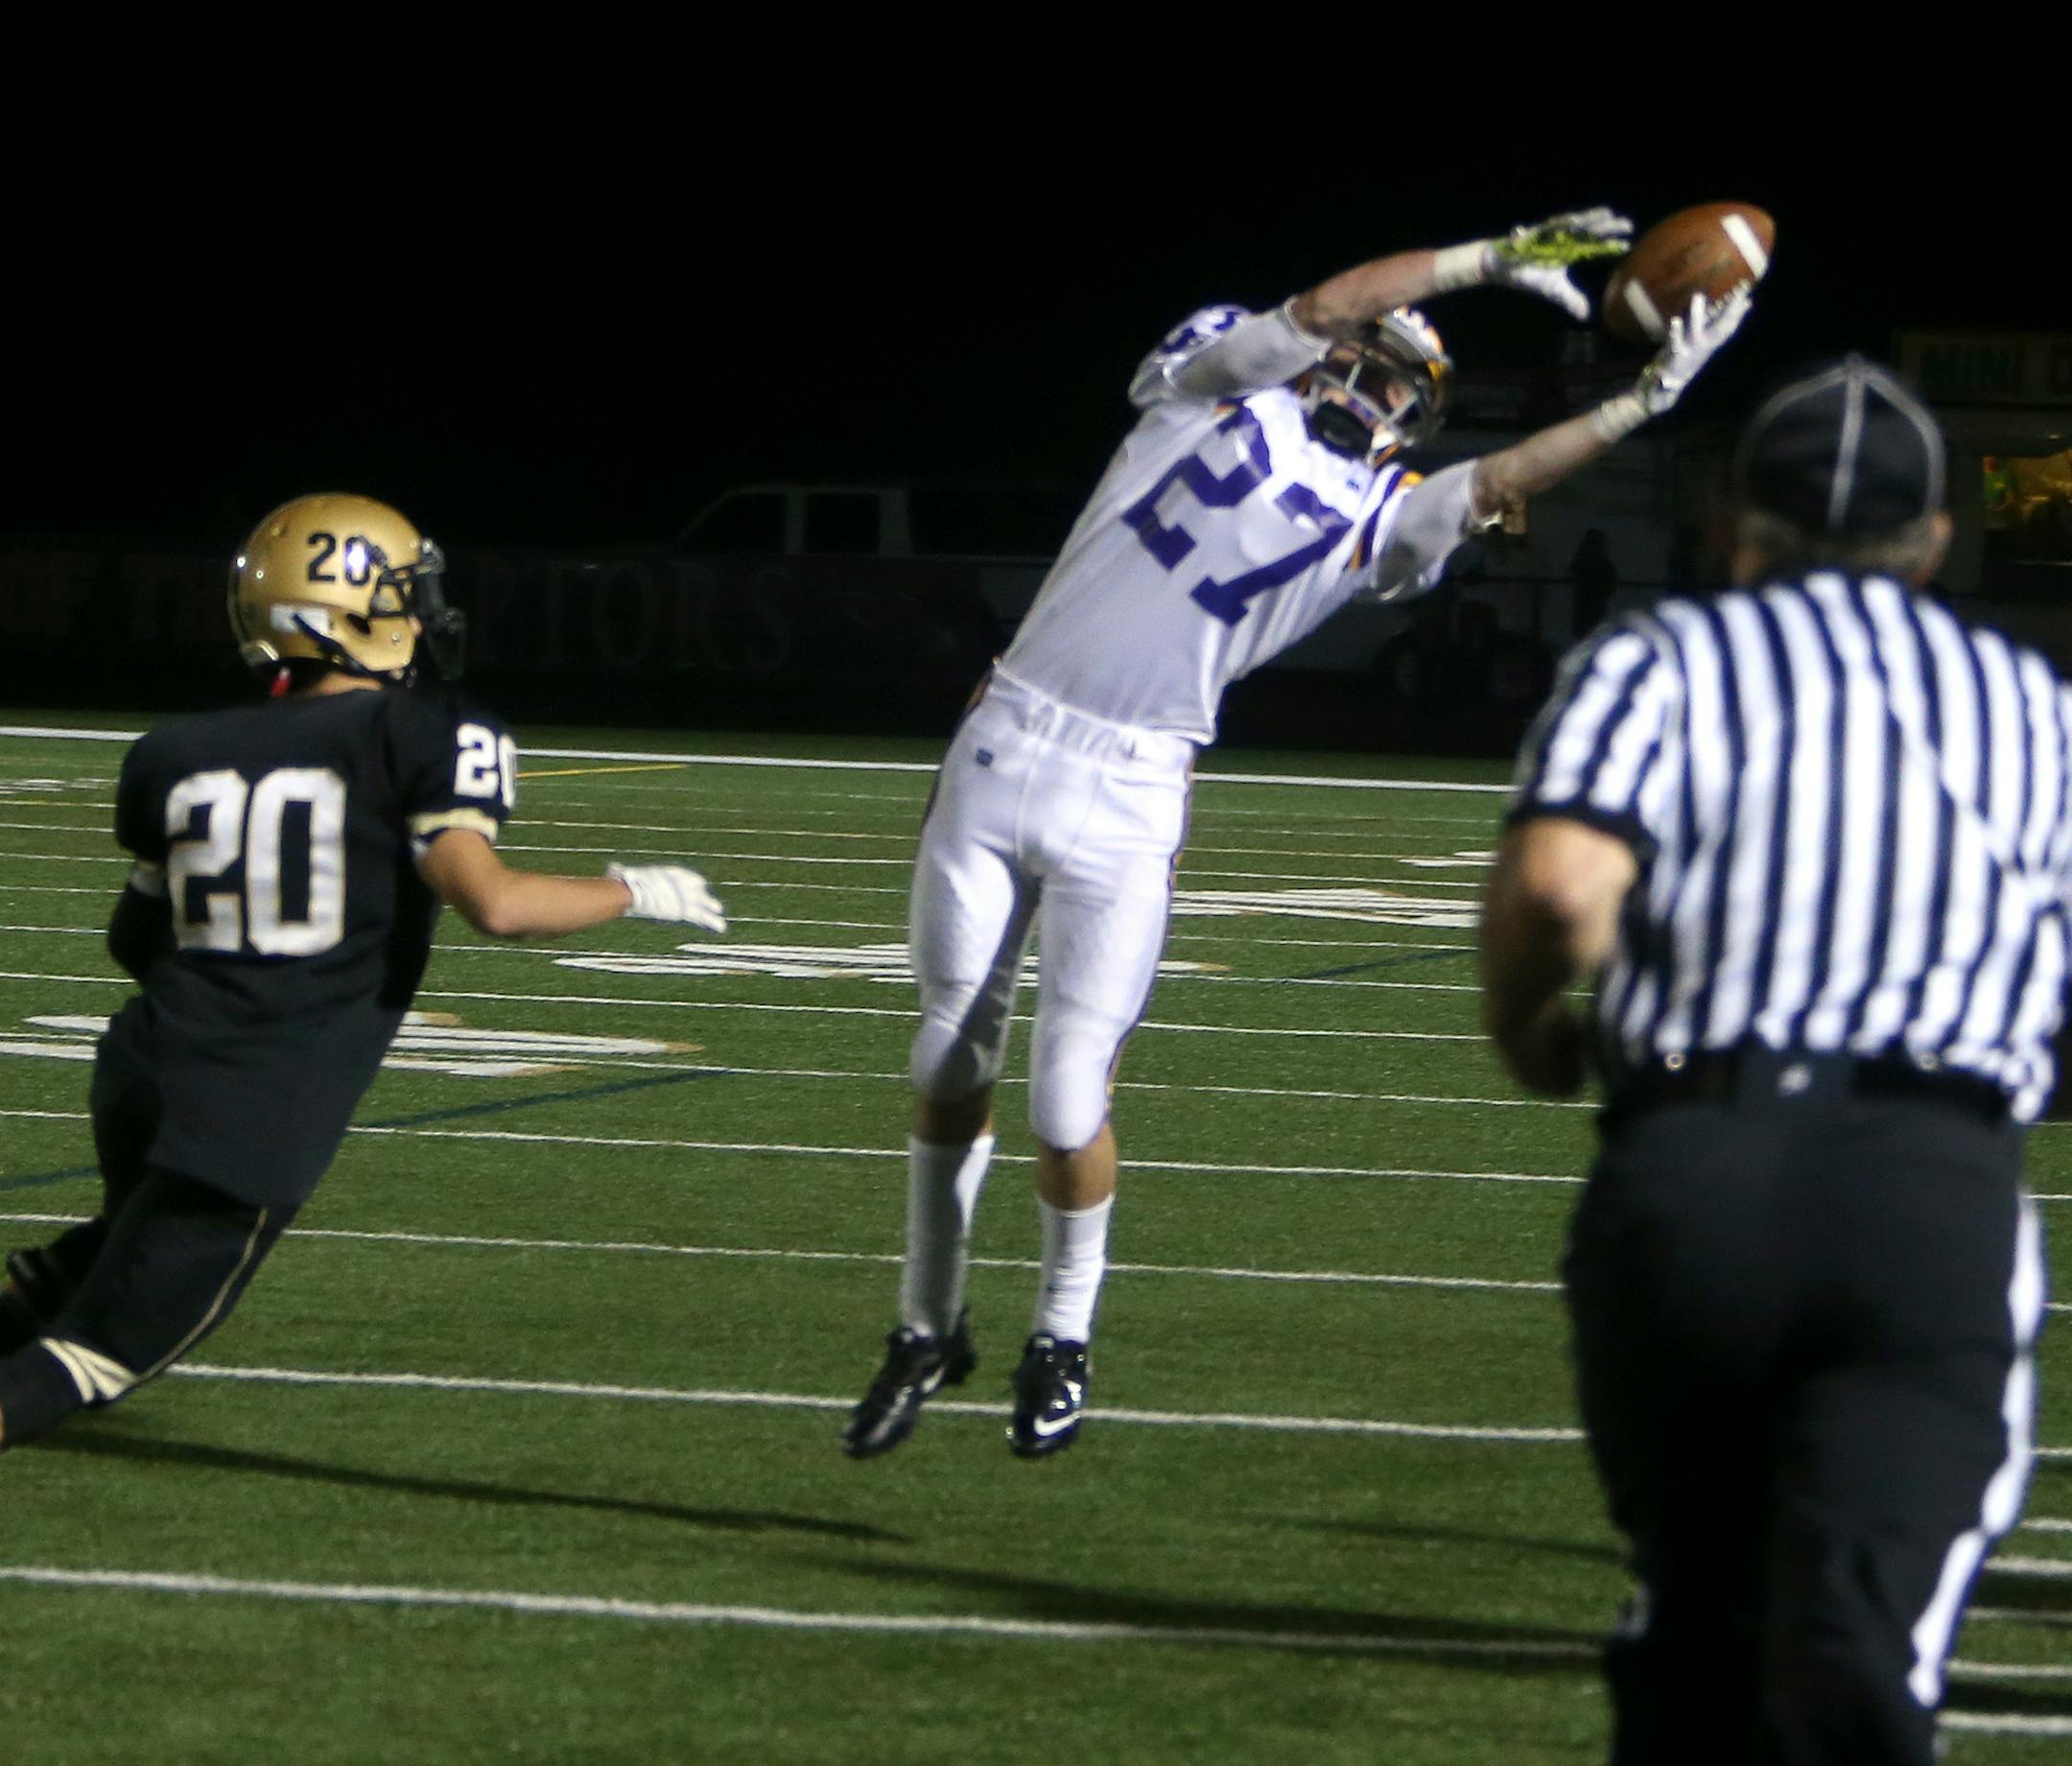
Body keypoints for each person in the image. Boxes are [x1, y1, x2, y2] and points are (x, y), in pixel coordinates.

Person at [842, 210, 1755, 1461]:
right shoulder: (1207, 391)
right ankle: (926, 1321)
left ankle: (1063, 1329)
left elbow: (1493, 483)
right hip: (1005, 738)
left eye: (1398, 380)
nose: (1367, 381)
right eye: (1362, 358)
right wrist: (1484, 261)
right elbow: (1323, 307)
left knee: (1063, 1100)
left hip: (1129, 787)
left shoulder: (1373, 515)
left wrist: (1636, 409)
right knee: (947, 1060)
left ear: (1411, 413)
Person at [1478, 358, 2054, 1763]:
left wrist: (1535, 1035)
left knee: (1699, 1626)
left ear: (1735, 524)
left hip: (1692, 1169)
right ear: (1932, 538)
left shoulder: (1661, 658)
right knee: (1858, 1646)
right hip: (1923, 1179)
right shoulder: (2027, 699)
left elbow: (1558, 887)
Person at [0, 493, 728, 1448]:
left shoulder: (174, 751)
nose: (424, 612)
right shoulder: (428, 732)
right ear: (353, 609)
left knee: (109, 1254)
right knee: (101, 1349)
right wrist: (628, 890)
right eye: (408, 591)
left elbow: (133, 939)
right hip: (253, 1106)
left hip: (139, 1069)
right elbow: (497, 902)